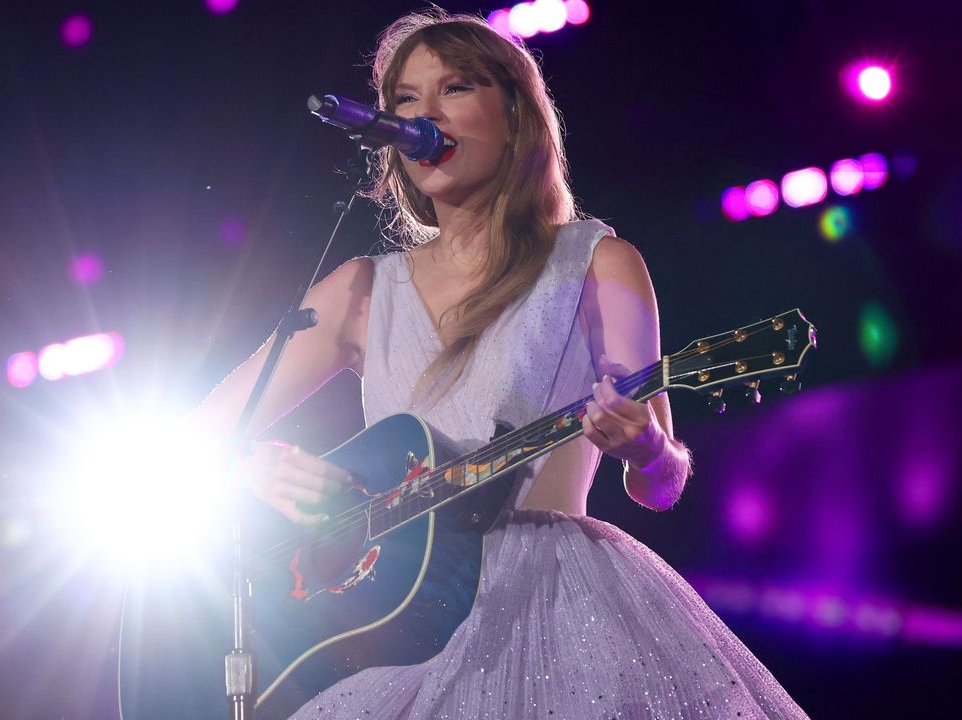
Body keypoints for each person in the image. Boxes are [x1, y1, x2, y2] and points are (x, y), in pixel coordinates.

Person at [190, 9, 808, 719]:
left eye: (453, 89)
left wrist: (645, 446)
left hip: (558, 601)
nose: (421, 116)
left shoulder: (597, 262)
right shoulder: (360, 290)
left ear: (515, 117)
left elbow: (662, 485)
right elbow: (195, 439)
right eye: (402, 101)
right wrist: (252, 470)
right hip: (395, 631)